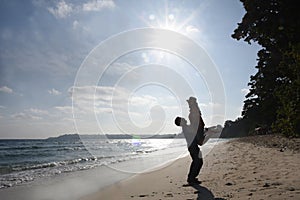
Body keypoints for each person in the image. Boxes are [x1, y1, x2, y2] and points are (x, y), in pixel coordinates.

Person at [175, 116, 203, 185]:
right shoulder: (186, 128)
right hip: (192, 147)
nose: (184, 119)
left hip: (193, 147)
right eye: (182, 119)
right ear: (181, 122)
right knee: (197, 162)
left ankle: (192, 177)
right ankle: (191, 178)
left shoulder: (186, 127)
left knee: (198, 162)